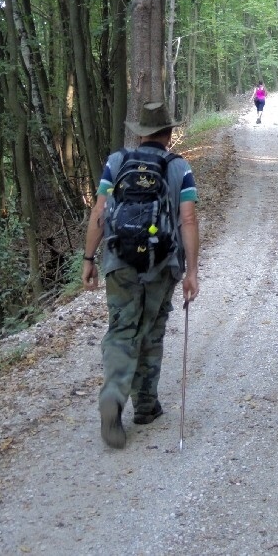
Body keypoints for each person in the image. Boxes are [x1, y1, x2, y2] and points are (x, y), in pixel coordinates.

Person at [81, 101, 200, 449]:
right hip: (162, 265)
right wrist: (193, 271)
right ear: (169, 132)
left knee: (122, 328)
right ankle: (146, 406)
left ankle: (113, 398)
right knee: (152, 329)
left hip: (119, 262)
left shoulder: (116, 162)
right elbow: (188, 220)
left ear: (140, 132)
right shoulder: (179, 168)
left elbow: (100, 211)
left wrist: (89, 257)